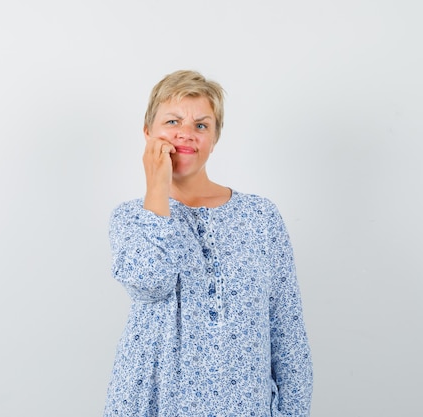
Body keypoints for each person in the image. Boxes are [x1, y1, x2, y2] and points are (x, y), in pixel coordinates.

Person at [103, 70, 313, 417]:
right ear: (148, 133)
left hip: (245, 406)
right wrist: (157, 187)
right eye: (172, 121)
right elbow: (149, 284)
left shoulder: (260, 216)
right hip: (155, 404)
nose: (186, 133)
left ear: (214, 138)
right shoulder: (130, 218)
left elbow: (287, 331)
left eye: (201, 125)